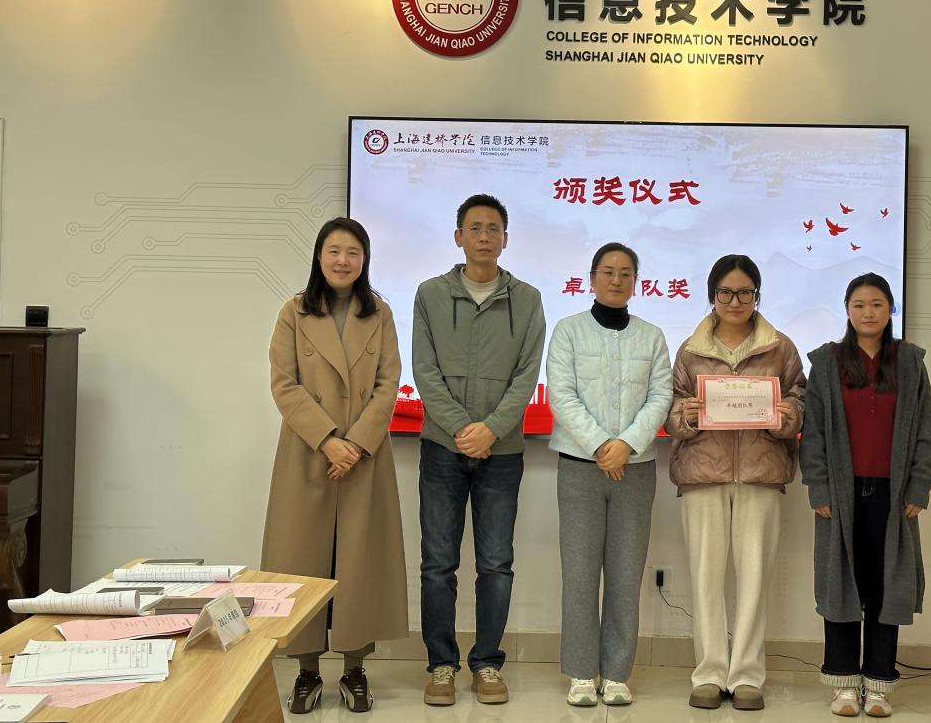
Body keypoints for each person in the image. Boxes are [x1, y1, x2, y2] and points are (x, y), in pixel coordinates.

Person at [262, 217, 408, 715]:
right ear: (319, 257)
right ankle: (306, 671)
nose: (343, 260)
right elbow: (284, 383)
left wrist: (357, 444)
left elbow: (388, 384)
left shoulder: (380, 314)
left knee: (359, 561)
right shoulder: (294, 312)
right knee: (302, 561)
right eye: (334, 251)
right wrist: (328, 440)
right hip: (309, 452)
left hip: (364, 457)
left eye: (353, 252)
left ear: (364, 260)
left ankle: (354, 669)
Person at [412, 194, 546, 707]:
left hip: (502, 451)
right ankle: (441, 666)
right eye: (475, 228)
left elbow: (526, 375)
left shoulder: (527, 299)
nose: (484, 236)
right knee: (437, 565)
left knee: (495, 565)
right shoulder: (430, 294)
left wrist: (490, 429)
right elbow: (425, 371)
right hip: (441, 448)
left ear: (505, 239)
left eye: (493, 228)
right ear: (459, 237)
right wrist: (461, 427)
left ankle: (487, 663)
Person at [665, 254, 806, 711]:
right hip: (703, 474)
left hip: (760, 474)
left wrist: (787, 415)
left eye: (745, 292)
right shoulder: (690, 350)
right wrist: (685, 415)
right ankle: (708, 673)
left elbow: (800, 399)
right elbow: (671, 408)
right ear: (712, 296)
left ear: (757, 296)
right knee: (705, 578)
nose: (735, 300)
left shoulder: (780, 348)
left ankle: (746, 675)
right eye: (726, 292)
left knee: (754, 578)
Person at [799, 273, 931, 718]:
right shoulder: (827, 363)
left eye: (877, 304)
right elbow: (813, 434)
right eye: (859, 304)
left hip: (894, 498)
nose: (868, 312)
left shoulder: (910, 362)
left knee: (886, 587)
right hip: (840, 496)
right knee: (841, 584)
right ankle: (843, 683)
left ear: (890, 309)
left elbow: (927, 432)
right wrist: (819, 487)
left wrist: (919, 486)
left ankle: (879, 685)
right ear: (847, 310)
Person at [546, 242, 673, 708]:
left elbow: (661, 396)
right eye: (607, 271)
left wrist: (627, 445)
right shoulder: (568, 331)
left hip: (635, 469)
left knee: (625, 573)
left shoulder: (652, 337)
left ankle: (617, 673)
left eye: (625, 273)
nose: (616, 280)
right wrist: (602, 445)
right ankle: (582, 672)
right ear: (592, 278)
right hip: (580, 467)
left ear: (636, 282)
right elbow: (561, 394)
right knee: (579, 574)